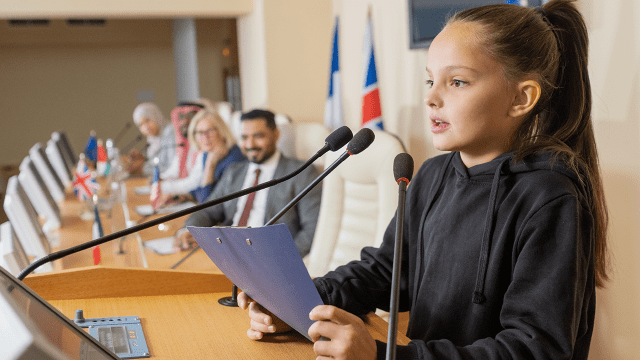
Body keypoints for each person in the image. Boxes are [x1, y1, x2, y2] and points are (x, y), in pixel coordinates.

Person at [238, 1, 610, 359]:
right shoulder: (432, 175)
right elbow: (384, 271)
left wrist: (386, 356)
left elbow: (535, 348)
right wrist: (296, 301)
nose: (431, 97)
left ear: (521, 98)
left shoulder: (550, 196)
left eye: (458, 82)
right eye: (431, 80)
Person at [174, 109, 322, 257]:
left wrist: (283, 260)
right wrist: (187, 230)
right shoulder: (235, 171)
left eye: (258, 136)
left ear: (276, 135)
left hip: (268, 255)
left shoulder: (301, 172)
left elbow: (312, 229)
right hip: (228, 252)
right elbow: (207, 210)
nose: (250, 144)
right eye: (244, 137)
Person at [153, 109, 244, 207]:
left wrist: (210, 166)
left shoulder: (234, 159)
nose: (205, 137)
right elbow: (200, 191)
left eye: (210, 130)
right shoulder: (208, 153)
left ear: (221, 131)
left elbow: (207, 204)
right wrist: (180, 196)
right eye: (200, 132)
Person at [126, 102, 176, 176]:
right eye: (140, 125)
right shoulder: (152, 138)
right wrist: (141, 158)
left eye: (147, 120)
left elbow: (172, 167)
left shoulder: (171, 133)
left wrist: (142, 168)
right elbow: (155, 161)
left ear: (156, 116)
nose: (145, 127)